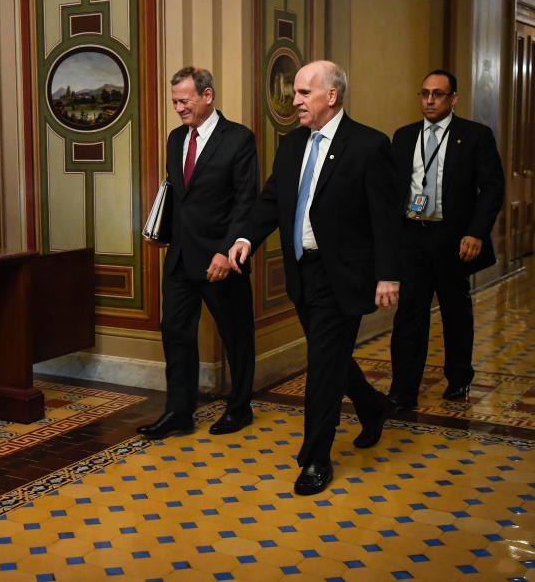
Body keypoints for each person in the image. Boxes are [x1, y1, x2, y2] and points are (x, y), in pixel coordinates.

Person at [227, 60, 401, 495]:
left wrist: (388, 275)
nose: (295, 101)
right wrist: (247, 236)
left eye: (304, 93)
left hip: (343, 274)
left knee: (322, 366)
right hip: (301, 271)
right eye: (295, 93)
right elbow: (271, 200)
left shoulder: (369, 145)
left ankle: (315, 459)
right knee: (332, 356)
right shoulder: (291, 145)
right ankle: (372, 406)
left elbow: (385, 218)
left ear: (331, 96)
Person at [136, 66, 258, 440]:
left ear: (207, 96)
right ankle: (178, 412)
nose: (179, 108)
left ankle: (239, 409)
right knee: (175, 334)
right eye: (174, 101)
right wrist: (163, 231)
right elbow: (178, 194)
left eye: (184, 100)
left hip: (221, 260)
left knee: (235, 335)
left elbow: (245, 201)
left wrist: (226, 251)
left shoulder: (239, 139)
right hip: (179, 257)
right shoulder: (176, 139)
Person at [388, 70, 505, 409]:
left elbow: (493, 188)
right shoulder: (404, 136)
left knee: (455, 310)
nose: (429, 100)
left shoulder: (474, 136)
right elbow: (394, 186)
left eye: (438, 94)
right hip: (412, 237)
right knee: (409, 314)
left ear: (453, 98)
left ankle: (458, 376)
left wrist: (476, 232)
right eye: (424, 93)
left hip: (453, 239)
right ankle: (403, 389)